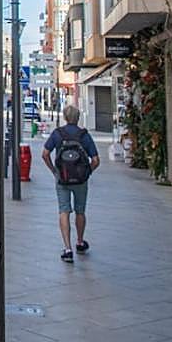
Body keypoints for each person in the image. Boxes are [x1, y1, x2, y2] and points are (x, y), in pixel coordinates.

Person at [41, 104, 101, 263]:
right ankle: (80, 242)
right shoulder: (84, 136)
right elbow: (96, 160)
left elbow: (45, 154)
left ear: (65, 117)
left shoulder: (57, 134)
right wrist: (87, 173)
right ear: (78, 118)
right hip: (81, 180)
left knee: (64, 210)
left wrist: (54, 171)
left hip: (62, 178)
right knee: (80, 211)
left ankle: (67, 249)